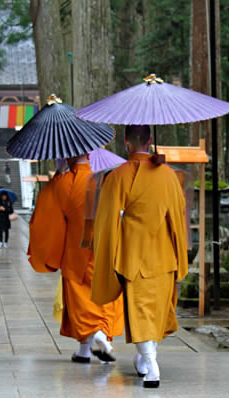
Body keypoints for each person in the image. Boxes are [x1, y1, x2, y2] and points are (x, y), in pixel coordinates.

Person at [91, 124, 188, 388]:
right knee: (154, 310)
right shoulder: (168, 175)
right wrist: (181, 256)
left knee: (143, 310)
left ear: (126, 143)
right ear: (151, 140)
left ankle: (151, 364)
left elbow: (107, 220)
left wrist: (106, 251)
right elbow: (178, 217)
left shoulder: (119, 175)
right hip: (165, 253)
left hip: (135, 254)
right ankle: (146, 359)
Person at [27, 153, 123, 364]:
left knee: (81, 301)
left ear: (68, 156)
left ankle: (97, 336)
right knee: (103, 298)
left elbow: (46, 212)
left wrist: (56, 178)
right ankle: (85, 351)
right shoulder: (106, 179)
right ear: (89, 154)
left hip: (77, 251)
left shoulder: (65, 182)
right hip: (105, 248)